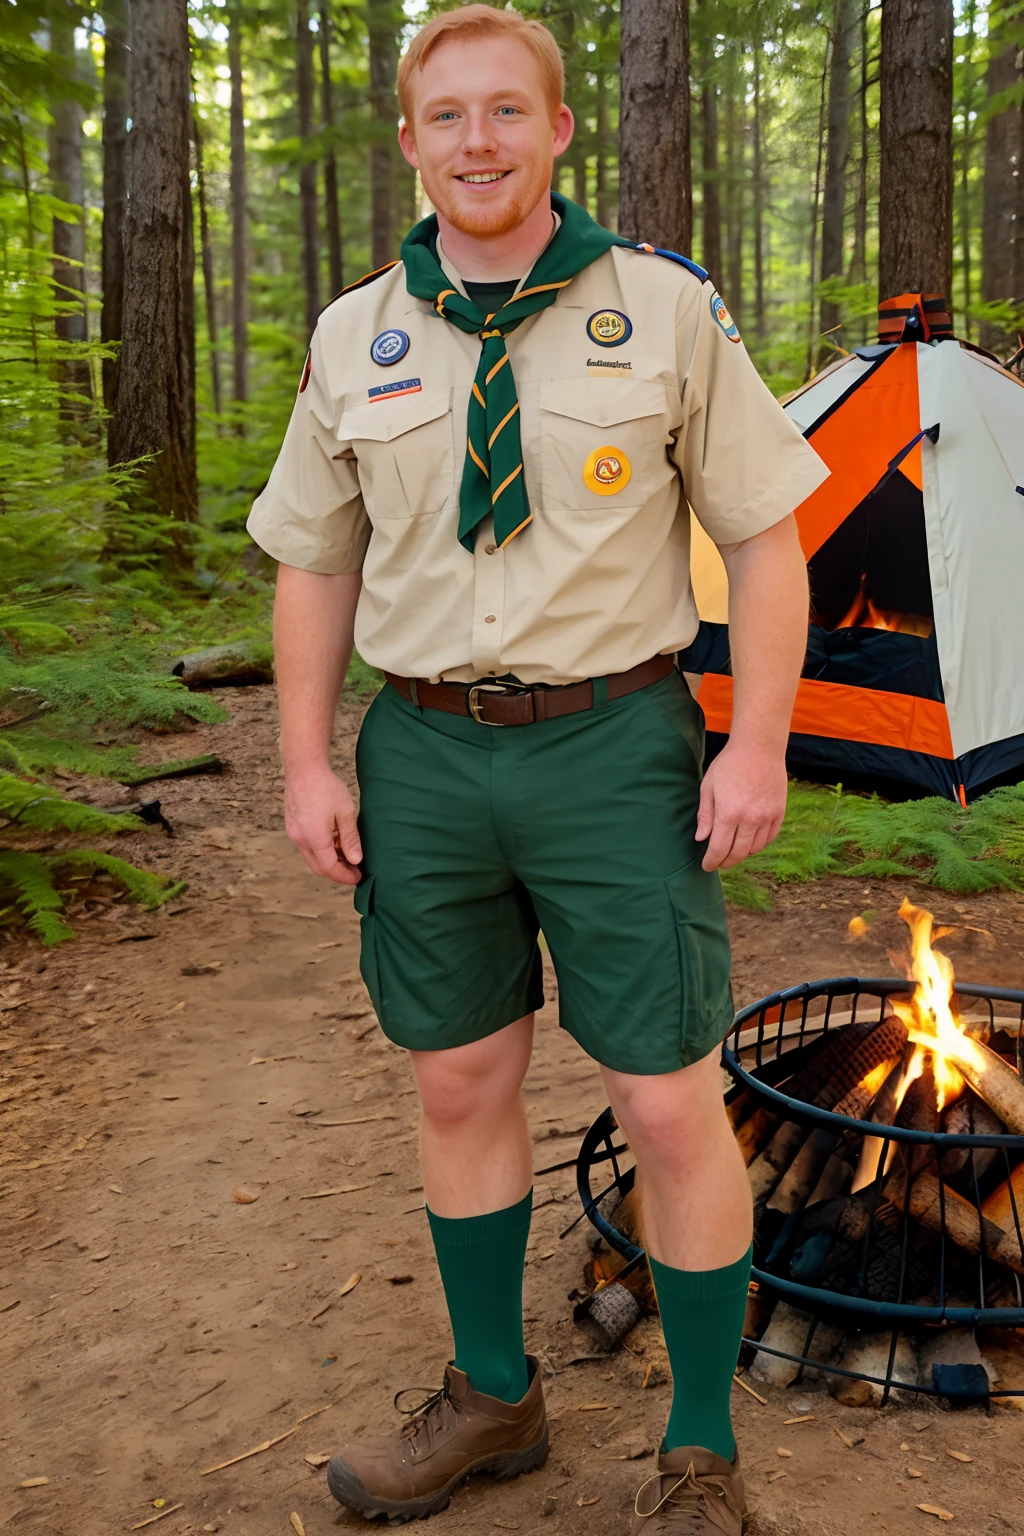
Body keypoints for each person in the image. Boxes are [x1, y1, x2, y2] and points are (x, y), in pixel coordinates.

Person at [247, 6, 828, 1530]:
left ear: (563, 130)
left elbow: (768, 536)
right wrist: (306, 763)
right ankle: (493, 1397)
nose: (481, 142)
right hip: (427, 752)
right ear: (412, 143)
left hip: (615, 746)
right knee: (458, 1075)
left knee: (666, 1099)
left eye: (511, 112)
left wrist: (756, 739)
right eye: (450, 118)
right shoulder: (352, 333)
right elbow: (313, 563)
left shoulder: (666, 309)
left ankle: (699, 1444)